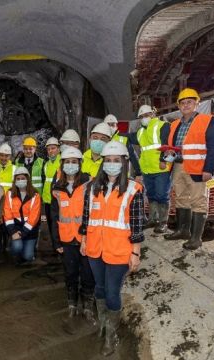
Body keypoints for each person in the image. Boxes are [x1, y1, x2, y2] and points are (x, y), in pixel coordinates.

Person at [80, 140, 144, 356]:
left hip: (119, 250)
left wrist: (136, 252)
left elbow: (136, 225)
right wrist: (83, 240)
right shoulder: (91, 188)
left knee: (111, 292)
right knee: (99, 288)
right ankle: (103, 324)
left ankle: (111, 335)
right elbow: (86, 219)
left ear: (124, 163)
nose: (111, 164)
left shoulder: (134, 189)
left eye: (116, 160)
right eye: (108, 160)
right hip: (95, 248)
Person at [164, 88, 214, 250]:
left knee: (198, 201)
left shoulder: (207, 120)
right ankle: (183, 231)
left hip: (198, 167)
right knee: (180, 197)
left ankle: (196, 238)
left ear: (196, 103)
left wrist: (208, 169)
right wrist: (166, 161)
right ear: (179, 106)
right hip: (178, 166)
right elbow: (172, 148)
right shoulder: (174, 124)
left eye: (189, 102)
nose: (186, 105)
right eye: (183, 102)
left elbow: (213, 147)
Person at [50, 147, 96, 333]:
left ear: (79, 164)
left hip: (86, 238)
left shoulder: (89, 183)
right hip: (66, 238)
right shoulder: (57, 188)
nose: (71, 165)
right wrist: (56, 242)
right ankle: (72, 304)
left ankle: (87, 306)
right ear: (62, 165)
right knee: (70, 273)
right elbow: (54, 216)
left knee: (87, 273)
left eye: (74, 162)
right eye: (67, 162)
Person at [128, 105, 171, 233]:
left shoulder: (163, 125)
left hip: (161, 168)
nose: (144, 118)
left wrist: (163, 160)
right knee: (151, 194)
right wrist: (115, 133)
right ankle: (153, 219)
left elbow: (167, 144)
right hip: (147, 170)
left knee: (162, 195)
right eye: (141, 117)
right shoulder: (141, 132)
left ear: (153, 114)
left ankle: (163, 222)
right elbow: (129, 137)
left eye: (146, 115)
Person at [4, 167, 41, 265]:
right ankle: (15, 247)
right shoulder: (9, 193)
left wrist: (22, 233)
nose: (21, 180)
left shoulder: (35, 194)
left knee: (28, 257)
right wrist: (13, 232)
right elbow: (8, 216)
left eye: (23, 178)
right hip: (15, 228)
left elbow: (34, 217)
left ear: (28, 179)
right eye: (18, 178)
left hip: (30, 230)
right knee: (17, 248)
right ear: (15, 180)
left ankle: (29, 247)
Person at [103, 114, 142, 180]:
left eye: (113, 124)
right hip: (104, 175)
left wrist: (138, 173)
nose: (110, 127)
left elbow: (133, 156)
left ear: (116, 126)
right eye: (108, 124)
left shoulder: (123, 138)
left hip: (122, 174)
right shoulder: (101, 139)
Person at [42, 137, 61, 248]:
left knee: (57, 224)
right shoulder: (47, 164)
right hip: (48, 200)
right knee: (50, 225)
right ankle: (55, 247)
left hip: (58, 200)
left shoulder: (62, 162)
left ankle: (59, 246)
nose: (51, 151)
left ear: (58, 149)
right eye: (48, 149)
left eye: (53, 148)